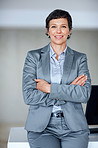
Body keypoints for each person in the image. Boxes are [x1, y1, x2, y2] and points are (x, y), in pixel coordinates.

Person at [22, 9, 91, 148]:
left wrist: (49, 88)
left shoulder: (79, 58)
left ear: (69, 30)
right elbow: (29, 96)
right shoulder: (33, 57)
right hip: (42, 128)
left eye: (63, 26)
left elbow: (84, 94)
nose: (58, 31)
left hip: (74, 127)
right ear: (48, 31)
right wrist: (69, 90)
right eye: (54, 27)